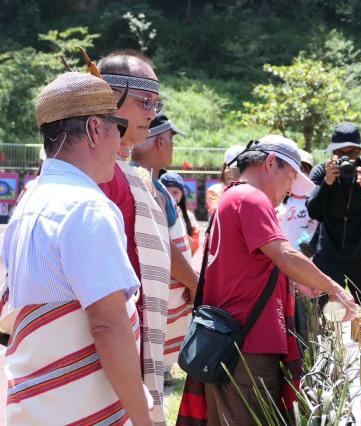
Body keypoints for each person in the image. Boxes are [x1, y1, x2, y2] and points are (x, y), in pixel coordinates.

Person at [0, 72, 152, 424]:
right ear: (96, 129)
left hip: (34, 406)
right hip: (82, 414)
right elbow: (108, 325)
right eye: (118, 126)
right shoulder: (86, 207)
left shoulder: (31, 199)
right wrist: (144, 419)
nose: (123, 143)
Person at [194, 136, 357, 424]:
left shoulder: (234, 196)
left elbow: (258, 267)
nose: (288, 193)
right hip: (248, 345)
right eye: (290, 181)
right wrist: (333, 288)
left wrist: (299, 282)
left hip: (233, 341)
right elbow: (284, 254)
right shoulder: (251, 198)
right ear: (271, 163)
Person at [97, 49, 194, 423]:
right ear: (109, 98)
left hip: (132, 338)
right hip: (106, 343)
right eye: (145, 101)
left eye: (158, 101)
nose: (152, 112)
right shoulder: (100, 175)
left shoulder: (129, 176)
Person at [131, 113, 197, 370]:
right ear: (160, 142)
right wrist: (195, 283)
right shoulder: (149, 186)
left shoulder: (143, 181)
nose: (171, 146)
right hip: (151, 305)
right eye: (170, 139)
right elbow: (162, 247)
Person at [306, 122, 361, 305]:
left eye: (352, 153)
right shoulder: (322, 171)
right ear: (332, 154)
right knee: (324, 311)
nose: (346, 159)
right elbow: (313, 211)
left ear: (360, 152)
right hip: (328, 252)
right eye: (340, 153)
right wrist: (327, 183)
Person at [276, 148, 318, 256]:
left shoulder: (316, 202)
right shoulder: (280, 200)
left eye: (303, 169)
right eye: (295, 168)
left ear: (311, 172)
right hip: (285, 256)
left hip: (309, 257)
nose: (299, 174)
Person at [161, 171, 201, 254]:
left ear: (182, 194)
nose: (171, 197)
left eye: (175, 192)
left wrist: (179, 222)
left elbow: (194, 249)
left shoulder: (189, 217)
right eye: (166, 192)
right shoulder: (156, 214)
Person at [206, 145, 244, 217]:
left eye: (236, 169)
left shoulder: (250, 191)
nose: (230, 171)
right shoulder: (214, 190)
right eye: (228, 167)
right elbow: (215, 213)